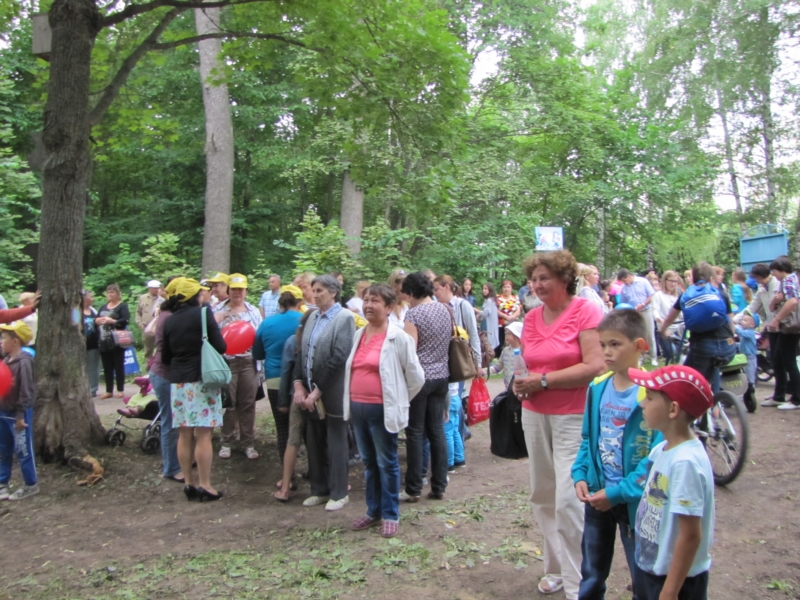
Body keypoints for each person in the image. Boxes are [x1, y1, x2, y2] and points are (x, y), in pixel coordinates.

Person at [513, 250, 605, 599]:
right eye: (533, 279)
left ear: (565, 279)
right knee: (543, 494)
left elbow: (595, 366)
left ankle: (578, 582)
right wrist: (521, 383)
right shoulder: (531, 317)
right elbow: (528, 362)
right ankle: (555, 569)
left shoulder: (586, 311)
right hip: (535, 413)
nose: (536, 285)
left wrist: (544, 381)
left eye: (544, 278)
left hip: (573, 415)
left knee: (569, 499)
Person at [572, 309, 663, 600]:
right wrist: (580, 473)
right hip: (598, 496)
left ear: (639, 346)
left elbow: (657, 457)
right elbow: (588, 439)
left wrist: (619, 492)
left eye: (615, 344)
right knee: (592, 570)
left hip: (635, 502)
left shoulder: (653, 394)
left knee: (643, 573)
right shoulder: (597, 387)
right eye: (603, 345)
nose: (607, 352)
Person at [343, 284, 425, 538]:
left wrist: (397, 399)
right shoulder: (359, 334)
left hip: (382, 410)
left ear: (389, 307)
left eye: (375, 301)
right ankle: (373, 511)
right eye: (366, 300)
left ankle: (390, 514)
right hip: (358, 408)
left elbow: (416, 377)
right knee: (369, 463)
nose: (368, 305)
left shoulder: (398, 337)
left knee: (386, 463)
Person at [628, 365, 715, 600]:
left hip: (677, 582)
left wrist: (669, 591)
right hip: (654, 571)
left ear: (673, 409)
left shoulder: (685, 463)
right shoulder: (662, 449)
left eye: (649, 398)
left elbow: (690, 535)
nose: (642, 404)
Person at [293, 274, 356, 511]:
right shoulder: (312, 317)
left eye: (320, 290)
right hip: (310, 391)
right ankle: (319, 489)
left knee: (336, 441)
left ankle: (339, 492)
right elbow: (302, 352)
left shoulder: (344, 318)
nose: (315, 294)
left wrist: (317, 390)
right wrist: (299, 384)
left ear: (333, 292)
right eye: (314, 290)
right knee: (314, 440)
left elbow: (340, 356)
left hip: (333, 392)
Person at [162, 277, 227, 502]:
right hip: (202, 380)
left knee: (184, 434)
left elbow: (166, 356)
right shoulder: (203, 314)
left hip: (179, 382)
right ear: (194, 296)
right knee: (204, 434)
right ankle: (205, 485)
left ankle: (188, 483)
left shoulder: (169, 320)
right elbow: (221, 346)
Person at [400, 271, 452, 502]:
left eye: (406, 294)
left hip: (420, 379)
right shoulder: (445, 309)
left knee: (415, 433)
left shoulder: (414, 314)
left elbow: (409, 351)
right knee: (437, 431)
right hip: (442, 377)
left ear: (412, 292)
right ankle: (439, 485)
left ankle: (413, 488)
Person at [660, 262, 735, 392]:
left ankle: (696, 401)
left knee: (687, 379)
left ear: (693, 279)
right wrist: (732, 338)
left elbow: (669, 319)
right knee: (712, 369)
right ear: (711, 277)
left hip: (703, 347)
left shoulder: (686, 296)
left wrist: (662, 330)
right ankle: (716, 400)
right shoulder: (721, 294)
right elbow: (731, 322)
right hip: (728, 347)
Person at [253, 286, 303, 471]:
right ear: (300, 302)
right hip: (302, 381)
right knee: (307, 429)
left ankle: (288, 476)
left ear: (280, 303)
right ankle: (314, 472)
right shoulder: (306, 321)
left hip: (275, 379)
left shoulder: (267, 323)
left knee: (282, 429)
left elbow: (257, 353)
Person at [215, 274, 263, 460]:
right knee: (229, 403)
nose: (237, 293)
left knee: (248, 403)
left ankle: (248, 443)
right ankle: (226, 442)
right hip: (227, 362)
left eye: (241, 289)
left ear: (246, 291)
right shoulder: (217, 309)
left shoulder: (253, 311)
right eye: (234, 289)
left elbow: (259, 335)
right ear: (228, 290)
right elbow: (210, 334)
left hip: (249, 361)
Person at [149, 278, 183, 483]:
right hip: (164, 374)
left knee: (175, 421)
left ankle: (178, 460)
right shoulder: (169, 316)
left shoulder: (169, 314)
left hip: (167, 374)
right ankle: (171, 468)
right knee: (170, 422)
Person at [0, 321, 38, 500]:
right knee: (3, 449)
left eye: (3, 338)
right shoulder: (5, 361)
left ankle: (31, 484)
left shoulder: (24, 362)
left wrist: (21, 416)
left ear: (15, 341)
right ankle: (3, 483)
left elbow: (26, 391)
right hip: (3, 412)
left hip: (18, 415)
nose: (1, 341)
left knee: (23, 450)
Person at [742, 263, 783, 407]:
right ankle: (779, 394)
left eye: (758, 278)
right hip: (772, 328)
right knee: (776, 361)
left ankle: (790, 395)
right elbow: (752, 307)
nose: (757, 281)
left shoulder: (777, 285)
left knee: (783, 361)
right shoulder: (762, 288)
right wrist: (736, 320)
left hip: (782, 327)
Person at [764, 256, 800, 410]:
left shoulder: (789, 280)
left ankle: (797, 399)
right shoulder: (785, 282)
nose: (773, 274)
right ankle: (779, 395)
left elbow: (793, 301)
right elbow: (773, 306)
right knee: (778, 359)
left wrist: (777, 319)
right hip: (785, 328)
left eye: (774, 271)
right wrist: (775, 301)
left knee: (789, 361)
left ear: (781, 270)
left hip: (790, 327)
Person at [96, 283, 130, 399]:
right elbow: (96, 319)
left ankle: (120, 389)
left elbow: (125, 320)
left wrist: (113, 321)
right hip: (103, 339)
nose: (110, 294)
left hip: (117, 340)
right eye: (108, 292)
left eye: (112, 292)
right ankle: (108, 390)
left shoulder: (122, 306)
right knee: (107, 366)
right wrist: (97, 320)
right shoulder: (103, 307)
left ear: (117, 293)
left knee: (118, 365)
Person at [617, 269, 658, 367]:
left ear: (629, 276)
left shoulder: (643, 281)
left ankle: (653, 357)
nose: (624, 283)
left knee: (649, 334)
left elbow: (652, 295)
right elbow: (623, 302)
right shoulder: (624, 288)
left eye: (624, 280)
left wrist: (643, 304)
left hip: (646, 310)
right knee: (637, 336)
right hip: (633, 313)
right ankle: (640, 357)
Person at [652, 271, 683, 365]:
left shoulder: (677, 296)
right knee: (672, 353)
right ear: (665, 281)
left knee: (680, 355)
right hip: (664, 329)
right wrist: (662, 322)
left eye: (675, 281)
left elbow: (681, 314)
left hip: (678, 330)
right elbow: (655, 311)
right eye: (671, 281)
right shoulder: (658, 295)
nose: (673, 284)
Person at [735, 312, 759, 409]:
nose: (742, 321)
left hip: (750, 357)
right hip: (745, 357)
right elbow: (742, 344)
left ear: (752, 324)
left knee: (750, 375)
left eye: (745, 320)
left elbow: (740, 333)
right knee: (745, 374)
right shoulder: (746, 333)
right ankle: (747, 390)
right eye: (742, 320)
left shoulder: (750, 332)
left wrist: (733, 326)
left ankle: (751, 389)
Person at [490, 321, 522, 387]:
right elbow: (498, 367)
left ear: (517, 336)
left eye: (509, 334)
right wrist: (483, 371)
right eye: (506, 333)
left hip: (520, 387)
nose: (506, 336)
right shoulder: (505, 351)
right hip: (508, 388)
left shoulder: (524, 352)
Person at [81, 290, 100, 397]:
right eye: (91, 297)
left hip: (93, 343)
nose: (93, 299)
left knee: (93, 367)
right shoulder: (77, 310)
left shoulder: (93, 310)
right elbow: (74, 324)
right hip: (80, 344)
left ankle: (92, 389)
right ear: (84, 298)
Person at [136, 280, 162, 360]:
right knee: (148, 349)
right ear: (149, 288)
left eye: (158, 288)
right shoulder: (143, 298)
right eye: (154, 288)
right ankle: (149, 363)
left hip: (159, 327)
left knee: (161, 348)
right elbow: (138, 312)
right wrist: (140, 323)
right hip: (146, 327)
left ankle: (159, 363)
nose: (156, 290)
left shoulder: (162, 298)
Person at [476, 282, 500, 356]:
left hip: (488, 327)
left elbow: (485, 313)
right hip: (485, 324)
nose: (484, 290)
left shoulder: (490, 300)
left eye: (486, 289)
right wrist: (479, 315)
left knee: (487, 347)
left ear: (490, 290)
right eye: (483, 288)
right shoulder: (488, 300)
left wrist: (474, 309)